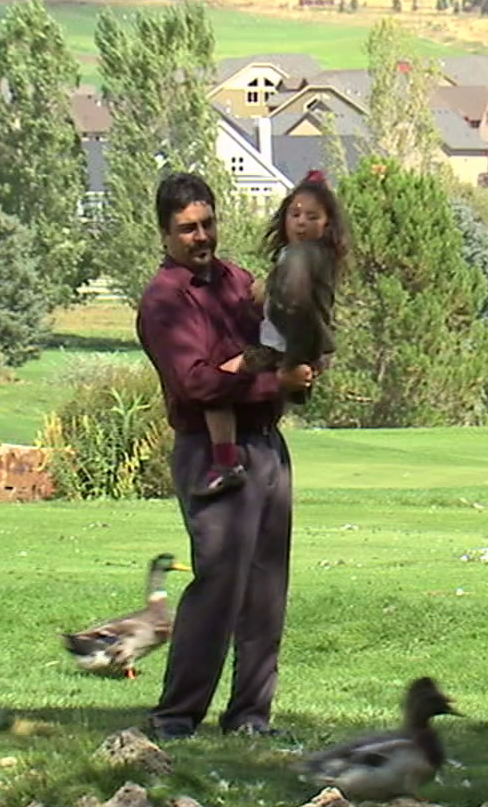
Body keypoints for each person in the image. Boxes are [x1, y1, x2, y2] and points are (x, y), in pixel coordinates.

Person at [136, 172, 318, 739]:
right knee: (218, 587)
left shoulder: (238, 280)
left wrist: (301, 361)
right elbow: (196, 383)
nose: (201, 236)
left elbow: (275, 340)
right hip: (211, 451)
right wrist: (273, 381)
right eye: (187, 228)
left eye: (207, 223)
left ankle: (250, 718)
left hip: (267, 445)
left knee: (266, 592)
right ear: (165, 234)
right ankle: (176, 717)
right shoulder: (164, 301)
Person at [192, 170, 348, 498]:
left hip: (281, 348)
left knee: (216, 386)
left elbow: (294, 300)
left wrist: (267, 295)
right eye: (295, 214)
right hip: (300, 347)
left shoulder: (301, 255)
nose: (301, 223)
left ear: (327, 224)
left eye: (312, 217)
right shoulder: (319, 257)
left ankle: (225, 462)